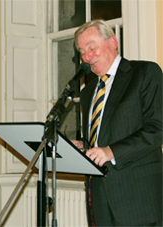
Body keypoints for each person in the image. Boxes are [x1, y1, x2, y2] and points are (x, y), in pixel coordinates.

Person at [72, 20, 162, 226]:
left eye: (92, 47)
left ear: (113, 42)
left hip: (139, 199)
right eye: (82, 51)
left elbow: (158, 128)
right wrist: (82, 146)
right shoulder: (87, 92)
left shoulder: (145, 73)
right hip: (101, 199)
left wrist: (112, 151)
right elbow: (100, 138)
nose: (86, 56)